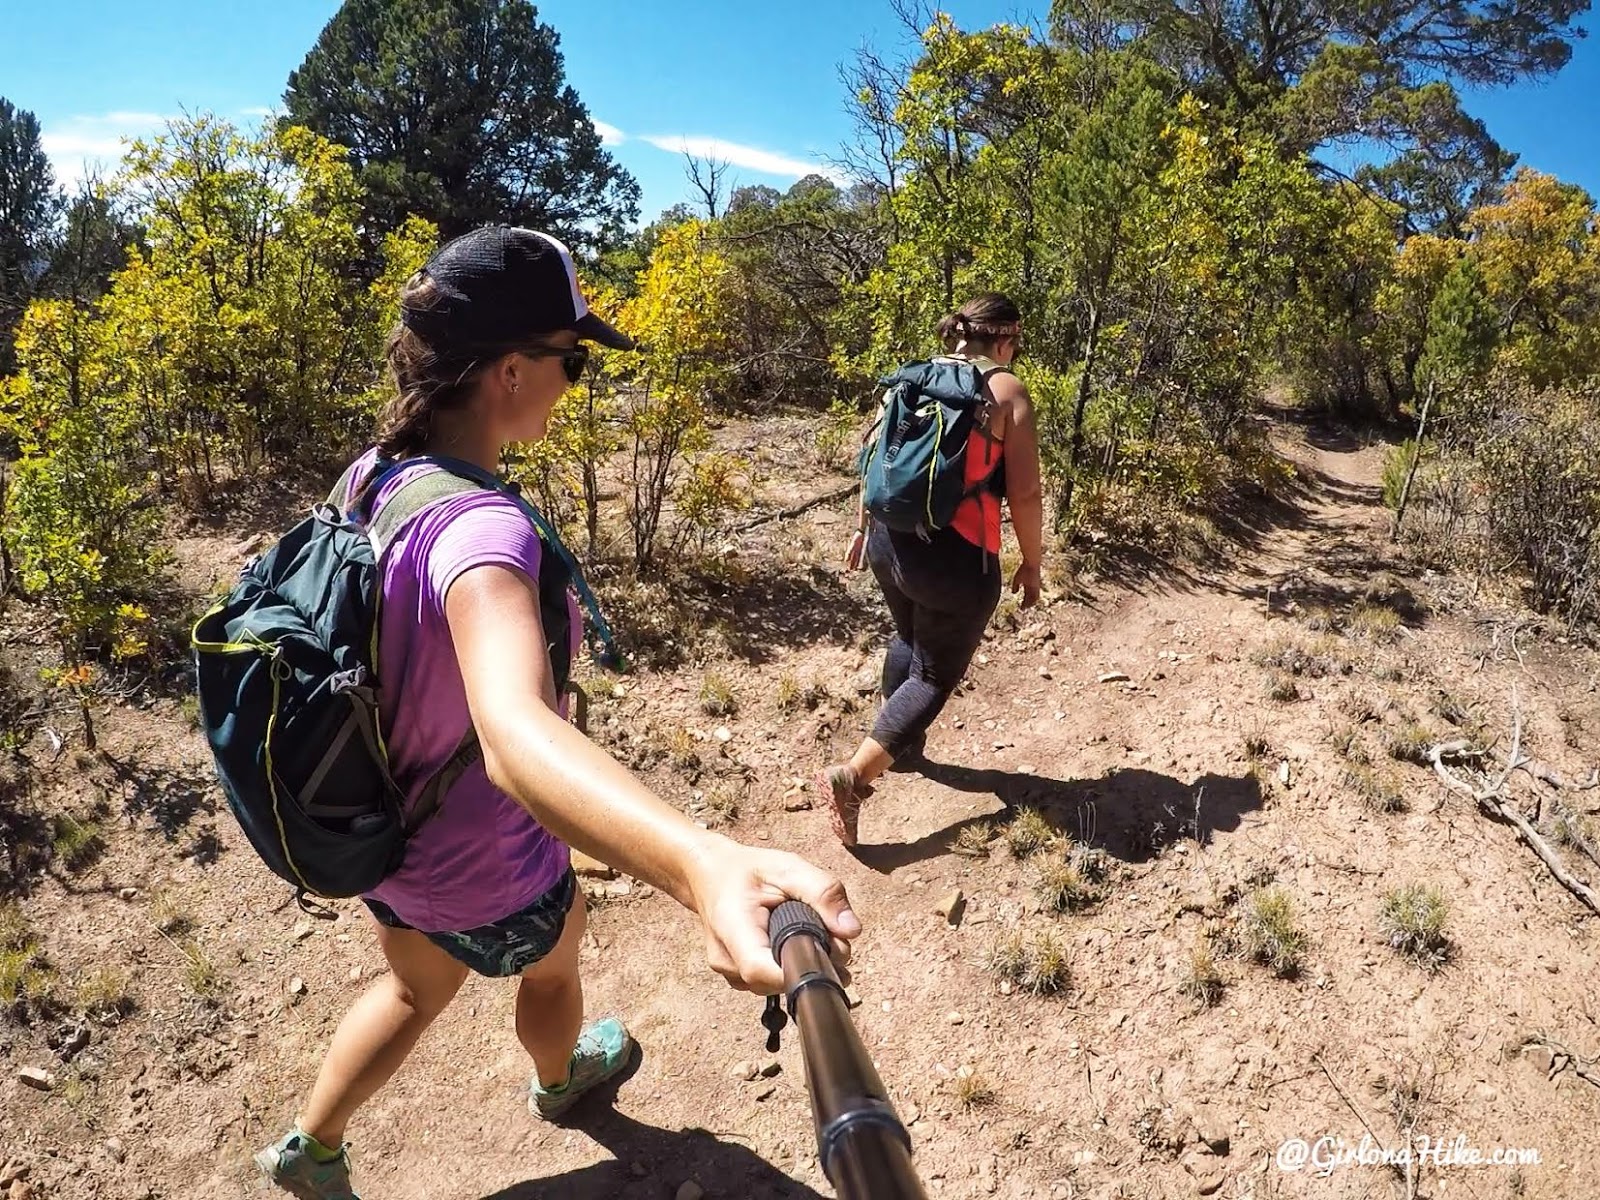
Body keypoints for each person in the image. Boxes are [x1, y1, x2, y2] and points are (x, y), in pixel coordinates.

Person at [255, 226, 859, 1200]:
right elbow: (512, 728)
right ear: (507, 370)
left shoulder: (374, 476)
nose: (575, 380)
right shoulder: (483, 529)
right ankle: (561, 1077)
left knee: (412, 987)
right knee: (550, 963)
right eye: (569, 360)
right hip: (489, 862)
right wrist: (697, 860)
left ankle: (311, 1147)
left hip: (377, 838)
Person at [819, 292, 1045, 847]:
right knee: (933, 675)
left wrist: (859, 527)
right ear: (1006, 338)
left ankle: (900, 742)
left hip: (887, 545)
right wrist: (1033, 563)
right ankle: (854, 776)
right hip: (957, 561)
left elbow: (876, 455)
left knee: (908, 634)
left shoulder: (914, 377)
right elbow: (1027, 492)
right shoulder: (1006, 392)